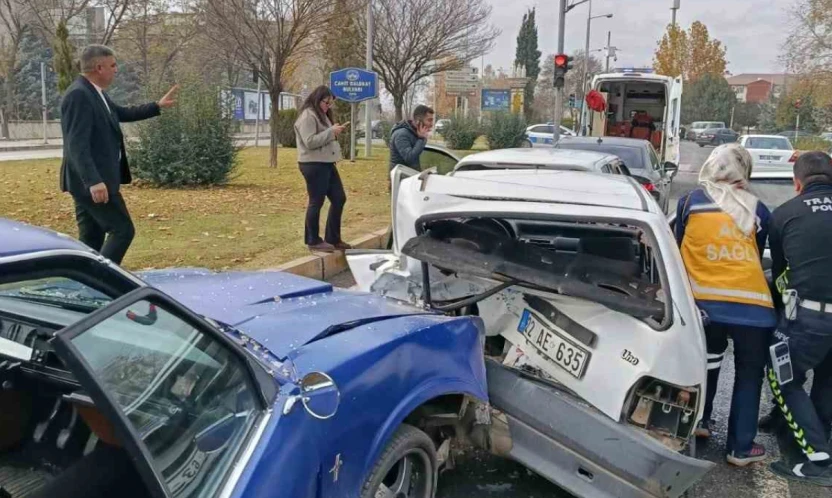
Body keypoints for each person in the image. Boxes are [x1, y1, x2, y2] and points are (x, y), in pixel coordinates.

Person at [675, 143, 776, 466]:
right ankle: (741, 448)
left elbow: (677, 244)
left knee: (706, 362)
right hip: (752, 306)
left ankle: (700, 423)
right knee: (749, 374)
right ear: (743, 171)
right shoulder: (757, 208)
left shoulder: (690, 202)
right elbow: (756, 254)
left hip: (704, 304)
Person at [60, 45, 177, 266]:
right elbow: (76, 145)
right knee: (122, 230)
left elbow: (121, 113)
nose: (116, 70)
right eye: (113, 65)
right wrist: (94, 181)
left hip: (88, 181)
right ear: (99, 67)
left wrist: (156, 106)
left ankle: (86, 283)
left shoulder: (94, 92)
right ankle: (104, 278)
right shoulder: (79, 95)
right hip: (93, 182)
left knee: (91, 239)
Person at [766, 151, 832, 486]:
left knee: (782, 378)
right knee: (827, 381)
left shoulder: (785, 214)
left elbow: (780, 273)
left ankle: (819, 459)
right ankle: (805, 430)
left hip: (809, 317)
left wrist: (782, 315)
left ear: (797, 182)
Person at [294, 85, 350, 253]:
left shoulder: (320, 115)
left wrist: (333, 131)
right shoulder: (307, 116)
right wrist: (331, 132)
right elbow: (309, 141)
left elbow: (322, 137)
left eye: (330, 103)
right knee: (316, 201)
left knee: (339, 198)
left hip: (326, 162)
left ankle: (333, 238)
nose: (328, 106)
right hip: (313, 164)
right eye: (326, 103)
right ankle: (313, 240)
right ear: (317, 99)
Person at [389, 105, 435, 171]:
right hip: (401, 178)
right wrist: (421, 139)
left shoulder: (416, 134)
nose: (431, 124)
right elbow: (409, 158)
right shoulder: (401, 134)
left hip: (411, 177)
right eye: (429, 120)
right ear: (418, 121)